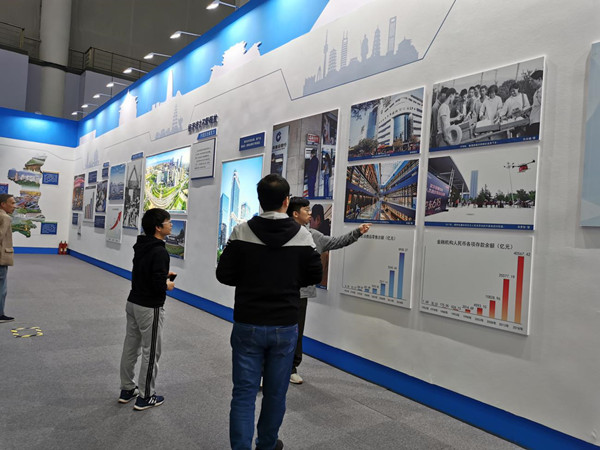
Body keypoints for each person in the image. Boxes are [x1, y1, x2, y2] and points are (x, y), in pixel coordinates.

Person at [216, 174, 322, 450]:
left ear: (260, 200)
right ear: (286, 202)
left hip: (248, 322)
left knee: (244, 393)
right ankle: (267, 444)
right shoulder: (303, 235)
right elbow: (314, 275)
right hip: (284, 325)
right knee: (276, 393)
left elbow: (224, 274)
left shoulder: (241, 232)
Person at [287, 197, 370, 384]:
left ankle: (292, 367)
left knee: (296, 332)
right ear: (295, 213)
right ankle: (267, 368)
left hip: (300, 294)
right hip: (279, 291)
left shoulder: (313, 236)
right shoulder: (280, 233)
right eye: (306, 210)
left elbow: (336, 242)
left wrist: (357, 232)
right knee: (274, 330)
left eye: (310, 210)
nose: (310, 213)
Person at [119, 207, 175, 411]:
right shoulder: (160, 251)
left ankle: (127, 389)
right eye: (168, 222)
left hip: (133, 302)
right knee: (151, 352)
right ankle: (146, 396)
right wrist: (167, 284)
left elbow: (144, 273)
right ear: (158, 227)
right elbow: (158, 285)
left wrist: (161, 276)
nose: (171, 225)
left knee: (130, 347)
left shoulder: (142, 246)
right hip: (149, 307)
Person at [0, 194, 16, 323]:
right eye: (12, 203)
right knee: (2, 288)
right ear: (3, 204)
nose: (14, 206)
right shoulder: (5, 217)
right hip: (1, 258)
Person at [525, 70, 543, 137]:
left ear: (539, 79)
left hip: (538, 123)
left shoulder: (543, 91)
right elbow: (536, 105)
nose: (530, 83)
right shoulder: (537, 92)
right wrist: (526, 110)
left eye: (532, 81)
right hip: (533, 122)